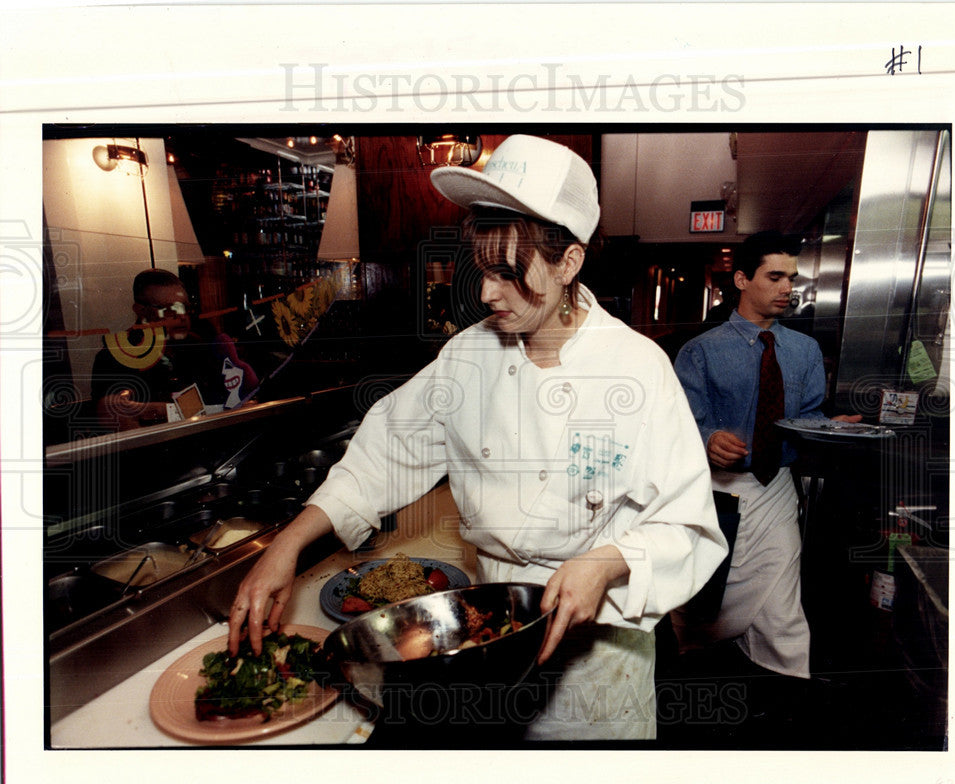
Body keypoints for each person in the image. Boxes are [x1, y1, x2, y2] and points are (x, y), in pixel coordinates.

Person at [227, 135, 728, 741]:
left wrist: (607, 561)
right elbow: (387, 449)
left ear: (569, 262)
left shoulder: (637, 367)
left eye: (511, 274)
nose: (488, 294)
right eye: (485, 270)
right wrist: (288, 543)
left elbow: (688, 524)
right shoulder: (468, 356)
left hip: (596, 648)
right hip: (489, 627)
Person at [671, 231, 861, 680]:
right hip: (718, 492)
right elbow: (677, 423)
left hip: (775, 486)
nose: (786, 288)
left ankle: (786, 698)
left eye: (791, 278)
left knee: (782, 607)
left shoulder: (804, 350)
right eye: (774, 277)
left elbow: (808, 414)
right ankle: (690, 674)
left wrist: (832, 426)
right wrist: (708, 438)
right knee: (706, 600)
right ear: (741, 279)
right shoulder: (700, 351)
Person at [91, 269, 258, 431]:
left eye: (185, 307)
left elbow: (226, 398)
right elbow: (116, 421)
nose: (182, 317)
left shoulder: (198, 346)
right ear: (140, 311)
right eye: (170, 310)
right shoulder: (116, 357)